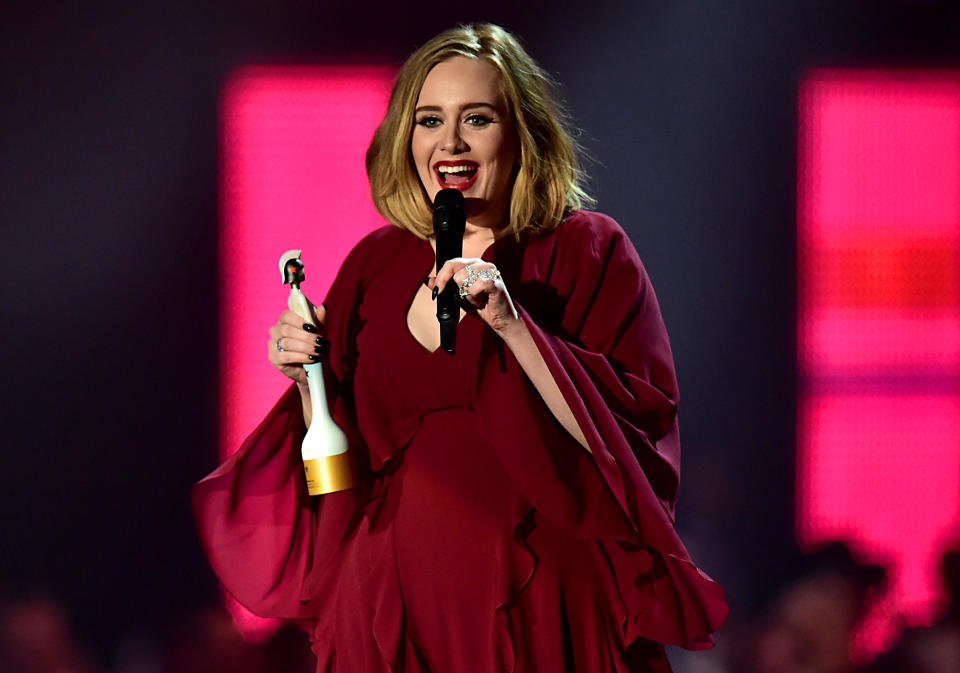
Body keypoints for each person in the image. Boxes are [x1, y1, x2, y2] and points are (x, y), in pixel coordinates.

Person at [193, 23, 728, 673]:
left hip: (544, 612)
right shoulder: (375, 265)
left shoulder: (588, 250)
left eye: (476, 118)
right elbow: (338, 473)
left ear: (521, 132)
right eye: (429, 120)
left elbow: (629, 447)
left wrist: (513, 325)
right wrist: (311, 387)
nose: (449, 142)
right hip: (390, 613)